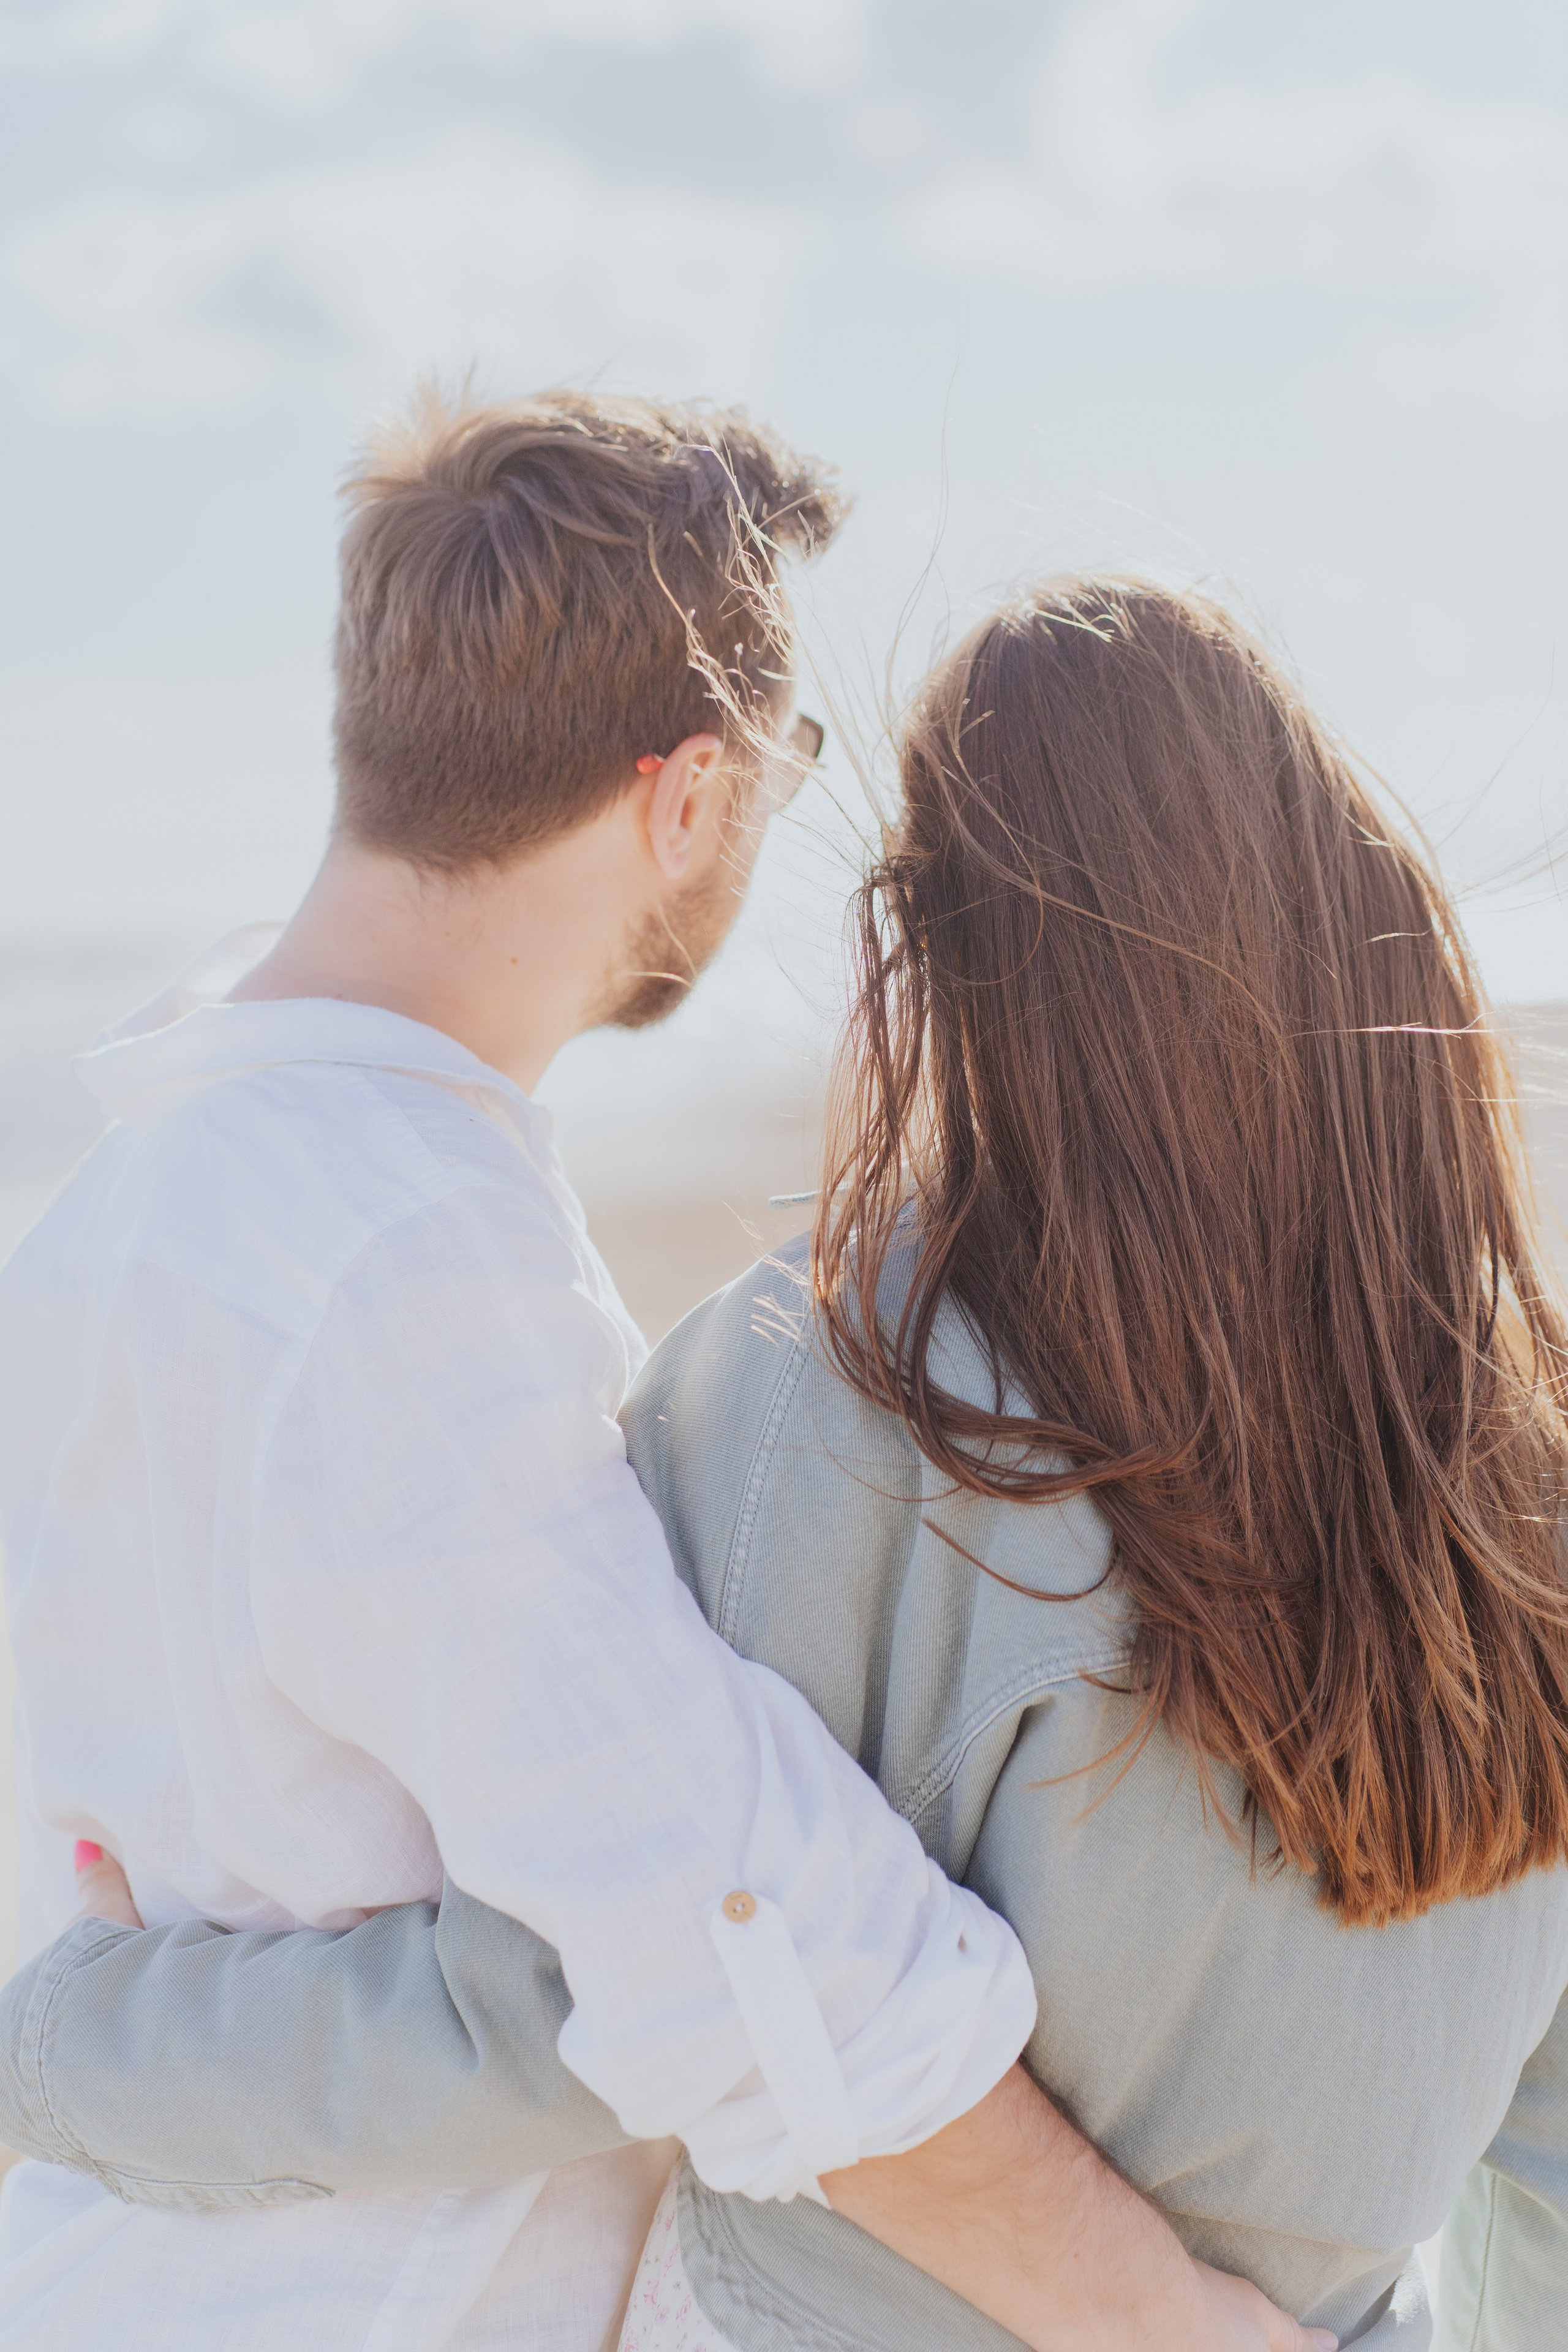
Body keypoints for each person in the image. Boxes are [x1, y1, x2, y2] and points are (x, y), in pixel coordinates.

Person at [9, 576, 1568, 2351]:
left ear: (956, 955)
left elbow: (580, 1994)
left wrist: (70, 2048)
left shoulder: (845, 1393)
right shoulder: (1519, 1471)